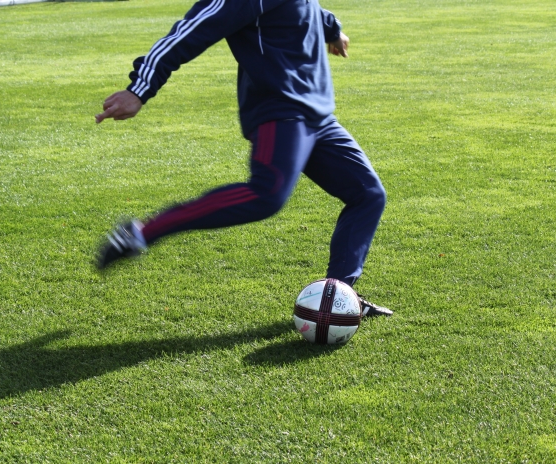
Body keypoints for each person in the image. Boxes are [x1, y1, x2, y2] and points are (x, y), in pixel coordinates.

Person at [95, 0, 392, 317]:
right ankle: (141, 232)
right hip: (279, 111)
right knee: (267, 194)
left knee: (368, 194)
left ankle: (336, 299)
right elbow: (194, 29)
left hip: (317, 113)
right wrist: (139, 90)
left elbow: (303, 8)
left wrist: (332, 29)